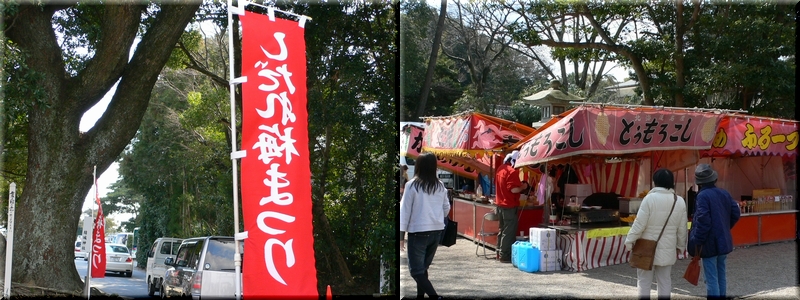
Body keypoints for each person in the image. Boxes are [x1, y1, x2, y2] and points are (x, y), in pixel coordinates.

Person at [625, 168, 688, 299]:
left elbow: (639, 224)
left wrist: (630, 241)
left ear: (655, 182)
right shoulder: (680, 201)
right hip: (668, 247)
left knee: (644, 282)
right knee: (665, 281)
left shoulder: (649, 199)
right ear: (672, 182)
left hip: (645, 248)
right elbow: (682, 229)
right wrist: (681, 246)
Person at [399, 153, 449, 300]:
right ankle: (420, 297)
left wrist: (401, 236)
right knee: (422, 269)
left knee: (416, 271)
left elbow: (404, 211)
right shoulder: (440, 185)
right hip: (436, 231)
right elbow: (446, 208)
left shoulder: (412, 185)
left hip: (418, 231)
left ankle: (435, 297)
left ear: (418, 166)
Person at [688, 164, 740, 299]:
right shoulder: (724, 193)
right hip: (723, 240)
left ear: (699, 182)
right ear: (714, 179)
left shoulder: (702, 196)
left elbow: (702, 221)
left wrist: (697, 241)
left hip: (709, 243)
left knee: (711, 277)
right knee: (721, 274)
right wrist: (724, 227)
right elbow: (736, 213)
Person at [494, 150, 529, 263]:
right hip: (509, 205)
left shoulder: (500, 168)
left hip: (500, 205)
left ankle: (498, 252)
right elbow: (513, 189)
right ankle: (505, 255)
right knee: (508, 232)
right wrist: (523, 187)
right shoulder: (512, 171)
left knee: (502, 230)